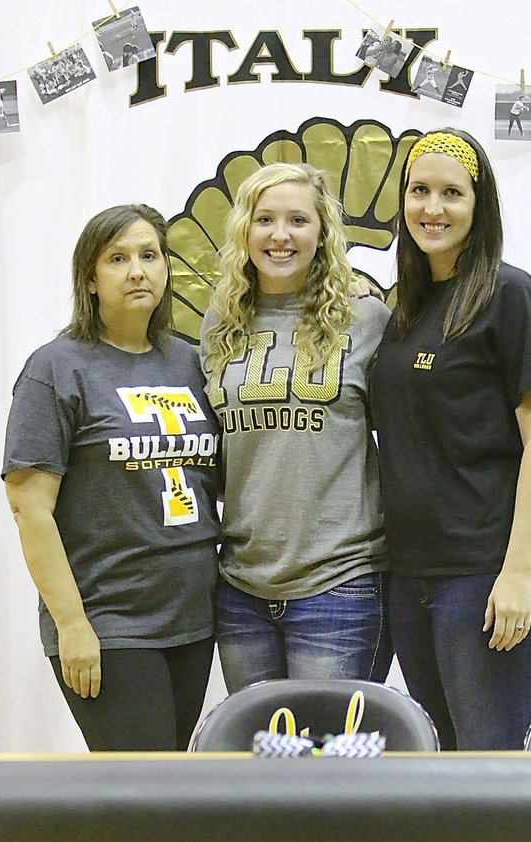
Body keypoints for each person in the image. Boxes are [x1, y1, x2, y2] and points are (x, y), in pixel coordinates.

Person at [372, 129, 531, 750]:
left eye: (452, 193)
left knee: (491, 778)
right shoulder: (405, 310)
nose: (433, 208)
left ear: (480, 207)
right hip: (411, 578)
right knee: (446, 772)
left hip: (485, 576)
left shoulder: (511, 295)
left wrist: (515, 577)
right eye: (419, 191)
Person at [3, 204, 220, 750]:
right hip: (109, 622)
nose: (137, 271)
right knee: (141, 801)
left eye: (150, 255)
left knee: (167, 785)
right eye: (118, 259)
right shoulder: (55, 368)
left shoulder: (191, 363)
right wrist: (73, 626)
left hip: (193, 618)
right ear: (91, 280)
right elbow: (31, 509)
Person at [200, 162, 391, 693]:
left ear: (322, 232)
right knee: (263, 764)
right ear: (244, 230)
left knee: (328, 766)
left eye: (298, 221)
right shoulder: (220, 323)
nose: (280, 235)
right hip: (240, 588)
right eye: (265, 220)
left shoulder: (364, 319)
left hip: (340, 584)